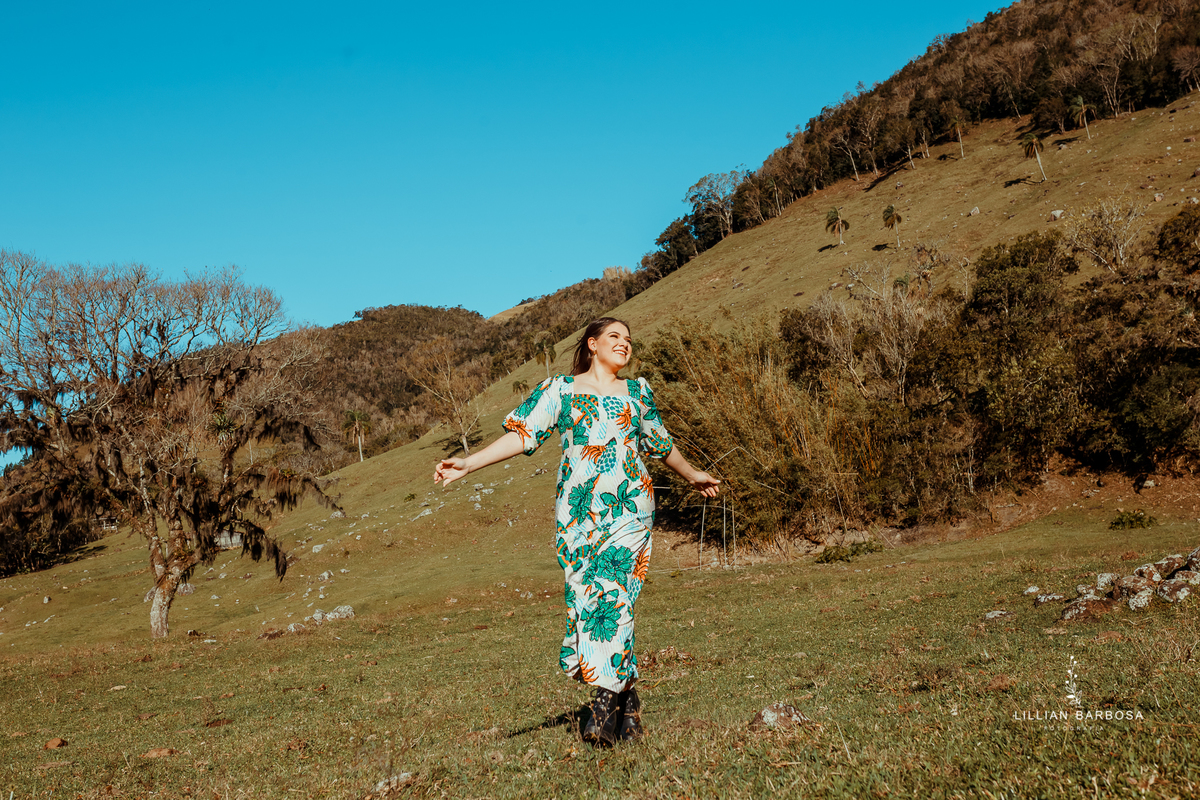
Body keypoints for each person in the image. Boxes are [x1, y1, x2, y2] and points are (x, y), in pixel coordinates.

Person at [434, 317, 720, 745]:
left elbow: (660, 444)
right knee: (591, 599)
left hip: (629, 510)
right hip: (578, 515)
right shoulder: (560, 391)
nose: (624, 344)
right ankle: (630, 705)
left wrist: (693, 474)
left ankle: (603, 703)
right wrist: (468, 463)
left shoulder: (638, 393)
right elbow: (524, 435)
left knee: (612, 594)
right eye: (614, 337)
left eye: (628, 339)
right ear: (592, 344)